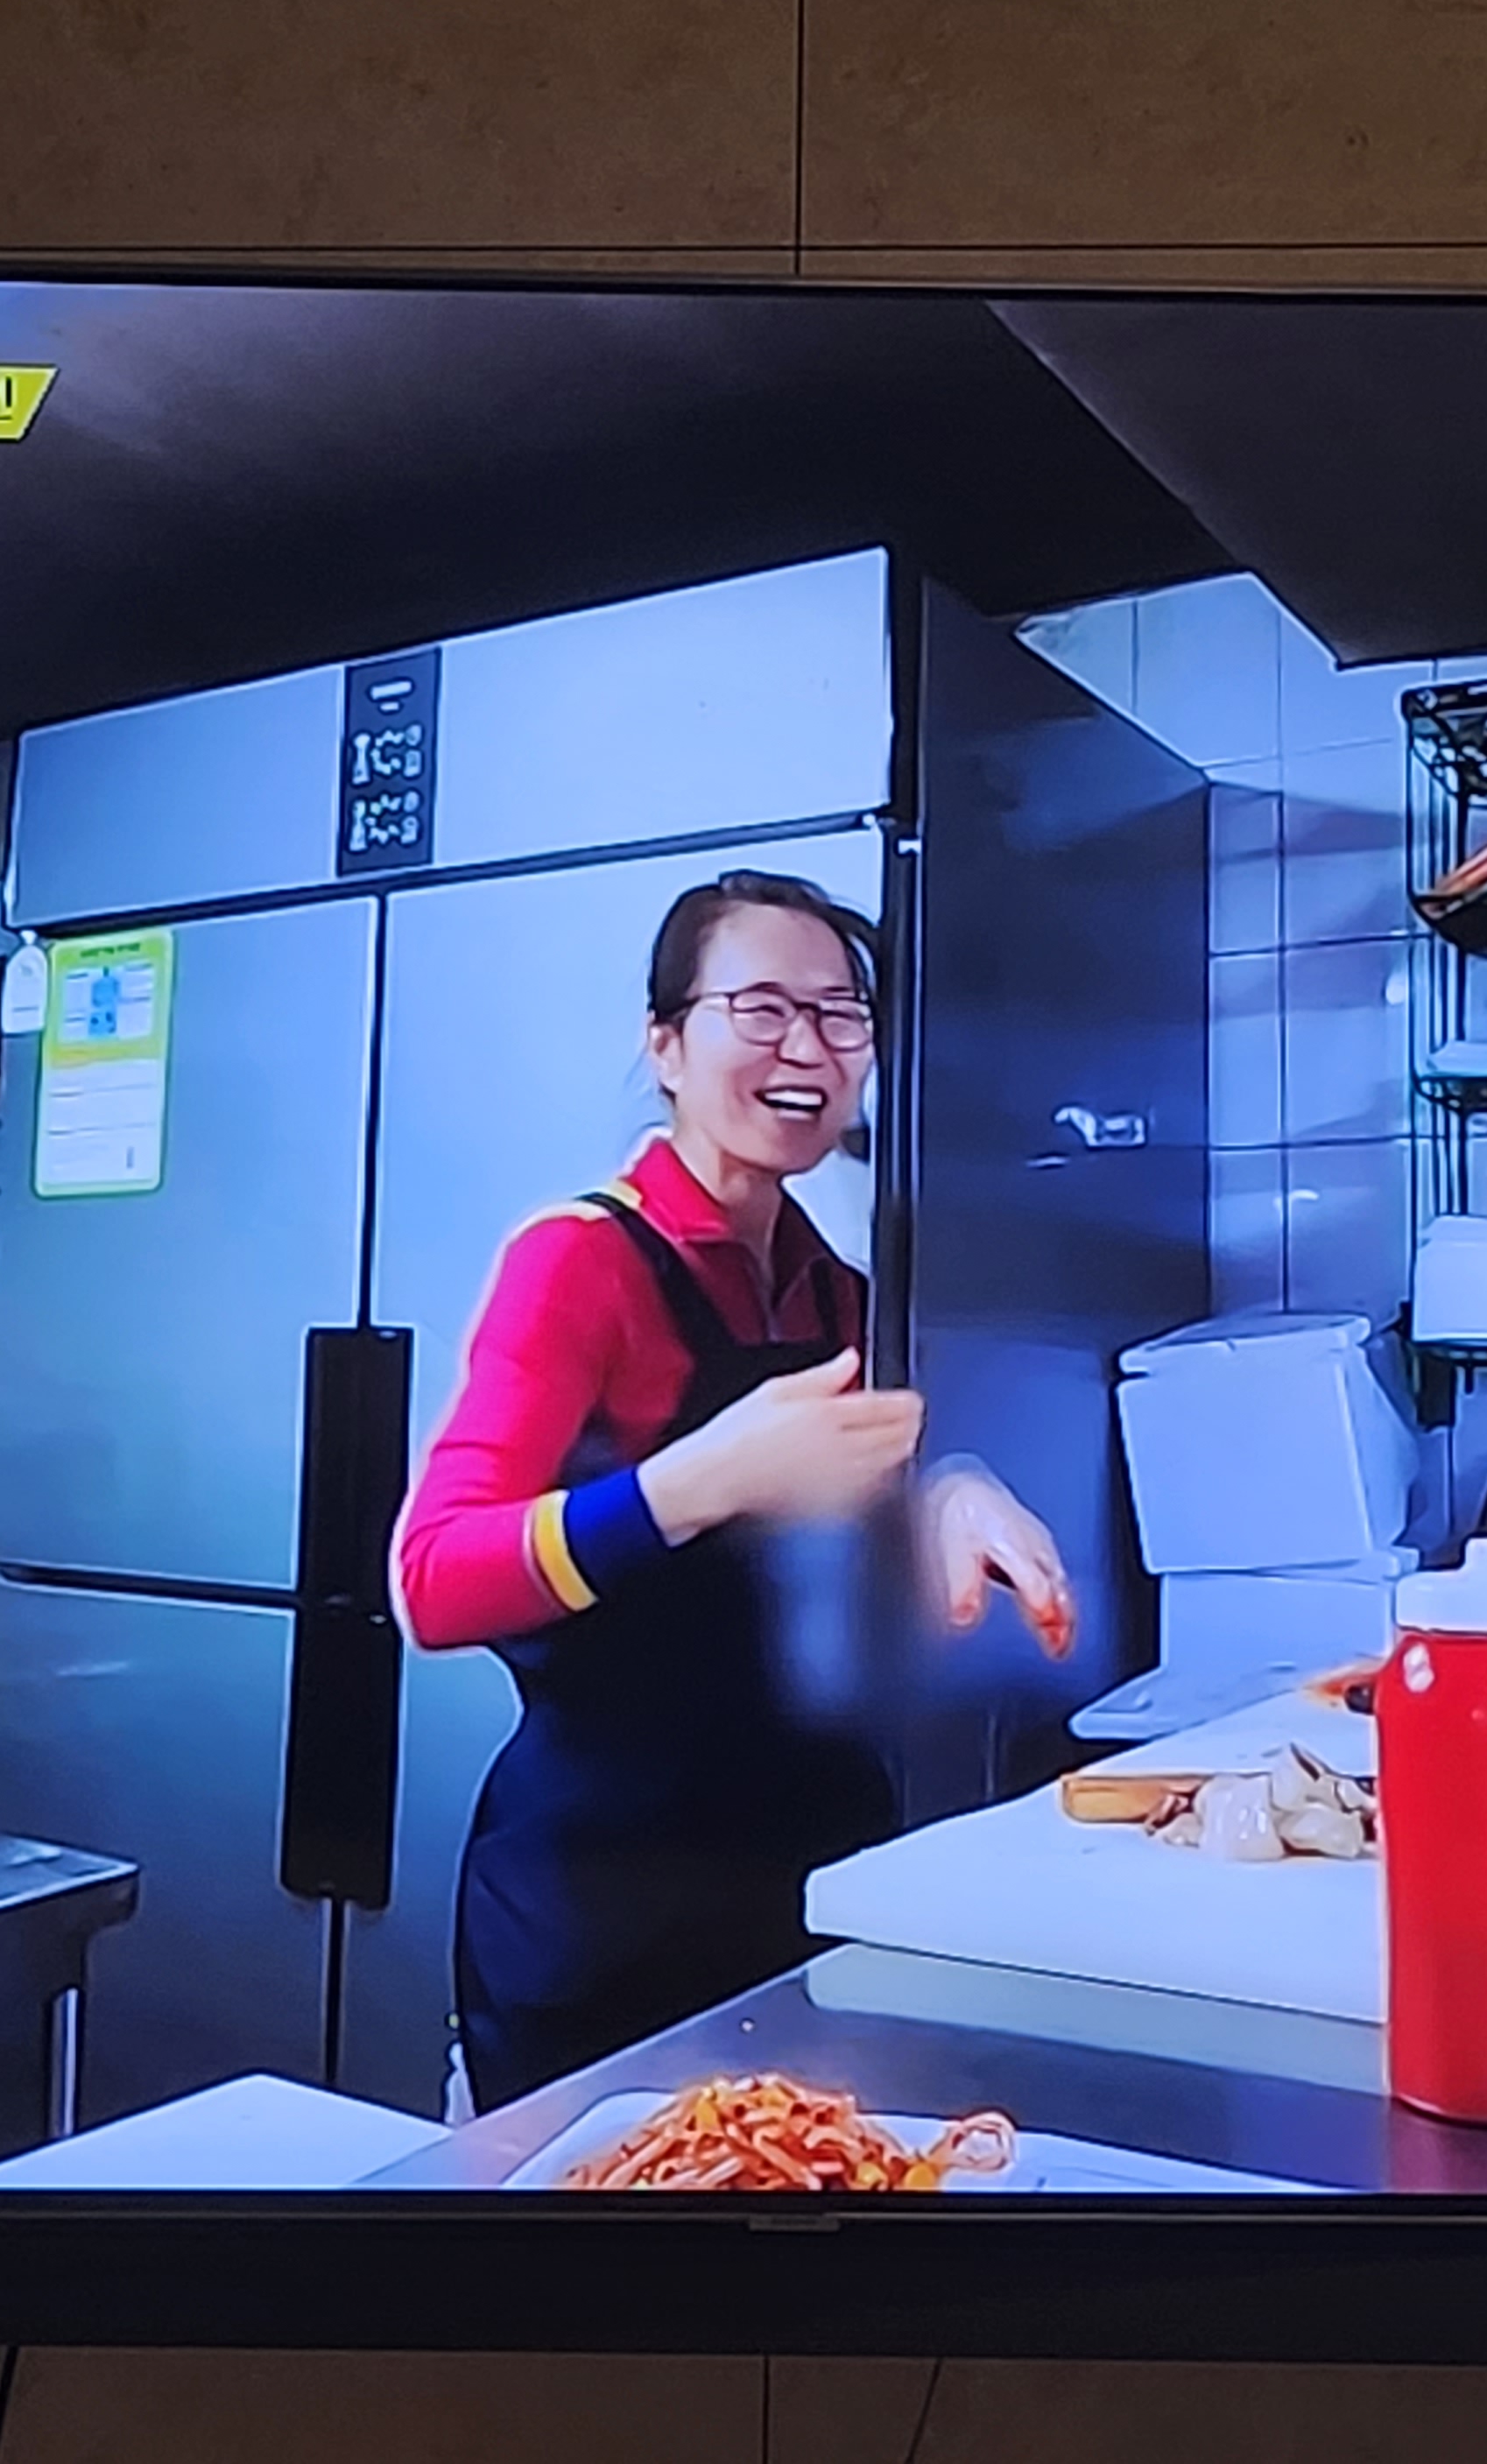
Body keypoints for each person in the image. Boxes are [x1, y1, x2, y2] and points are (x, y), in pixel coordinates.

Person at [392, 868, 1075, 2110]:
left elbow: (862, 1480)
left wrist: (953, 1486)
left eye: (840, 1015)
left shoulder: (836, 1291)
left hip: (804, 1879)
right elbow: (434, 1580)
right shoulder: (580, 1261)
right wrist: (695, 1482)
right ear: (665, 1044)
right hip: (601, 1907)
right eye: (760, 1009)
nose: (806, 1049)